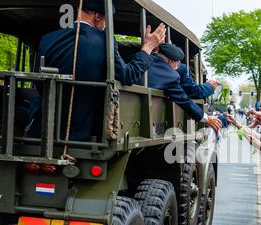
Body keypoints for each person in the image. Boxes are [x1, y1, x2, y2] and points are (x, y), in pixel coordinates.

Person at [27, 0, 166, 141]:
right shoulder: (105, 41)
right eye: (106, 21)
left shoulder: (48, 39)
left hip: (41, 129)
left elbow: (40, 80)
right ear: (98, 17)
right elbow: (127, 75)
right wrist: (147, 48)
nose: (106, 26)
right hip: (80, 132)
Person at [148, 43, 221, 134]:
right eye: (177, 63)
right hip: (153, 119)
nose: (178, 66)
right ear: (170, 61)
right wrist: (206, 118)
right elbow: (184, 99)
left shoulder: (141, 58)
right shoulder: (170, 76)